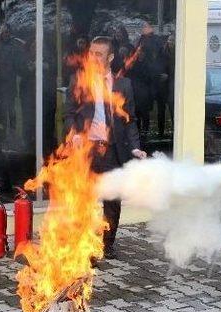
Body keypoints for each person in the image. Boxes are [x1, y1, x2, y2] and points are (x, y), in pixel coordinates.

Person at [63, 36, 147, 259]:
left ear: (110, 57)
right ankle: (84, 245)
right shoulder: (78, 80)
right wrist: (74, 134)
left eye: (99, 54)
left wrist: (135, 147)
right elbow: (69, 114)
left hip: (112, 150)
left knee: (112, 202)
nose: (93, 57)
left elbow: (130, 120)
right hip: (86, 150)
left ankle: (106, 246)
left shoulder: (124, 85)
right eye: (91, 53)